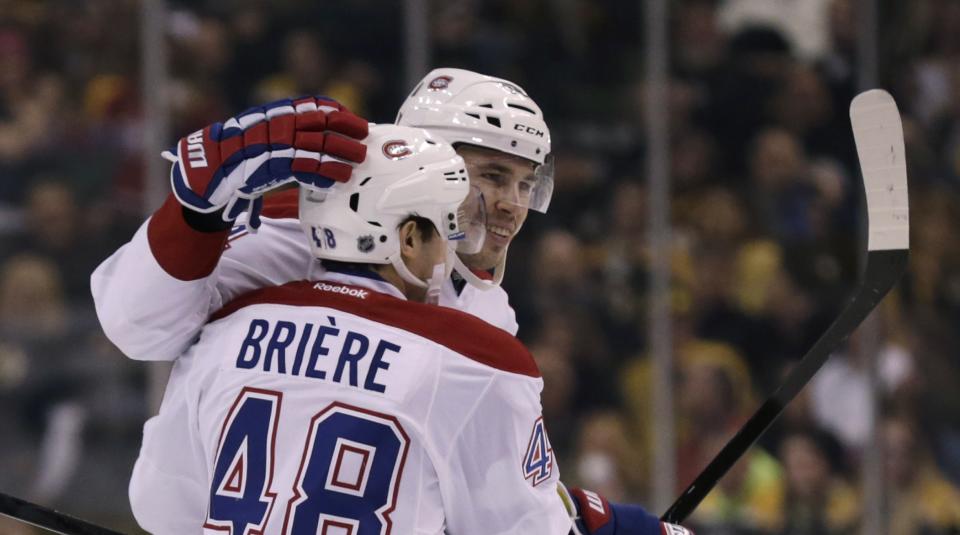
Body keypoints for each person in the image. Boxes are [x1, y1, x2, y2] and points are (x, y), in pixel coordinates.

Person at [122, 123, 691, 535]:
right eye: (448, 230)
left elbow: (160, 508)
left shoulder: (226, 326)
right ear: (410, 240)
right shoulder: (474, 357)